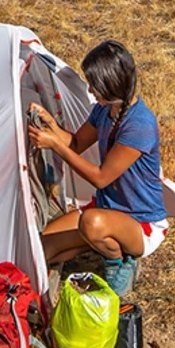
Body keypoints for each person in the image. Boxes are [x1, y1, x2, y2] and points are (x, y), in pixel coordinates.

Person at [27, 40, 167, 298]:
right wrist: (51, 124)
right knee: (41, 247)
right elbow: (77, 143)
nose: (90, 89)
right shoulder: (104, 110)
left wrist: (56, 146)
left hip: (139, 220)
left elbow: (101, 178)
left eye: (94, 84)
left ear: (110, 84)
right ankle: (101, 244)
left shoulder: (139, 125)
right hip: (106, 209)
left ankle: (120, 262)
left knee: (91, 222)